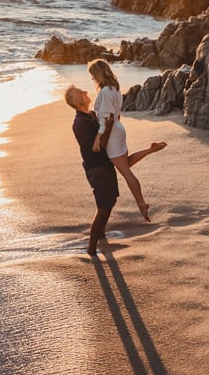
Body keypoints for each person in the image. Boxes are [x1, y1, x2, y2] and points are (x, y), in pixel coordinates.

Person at [88, 59, 166, 222]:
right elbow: (115, 115)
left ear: (98, 74)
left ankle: (141, 203)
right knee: (126, 164)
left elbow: (107, 119)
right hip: (118, 128)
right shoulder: (115, 88)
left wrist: (98, 138)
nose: (92, 79)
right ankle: (150, 149)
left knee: (126, 172)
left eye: (92, 76)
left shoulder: (105, 91)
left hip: (112, 132)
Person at [65, 85, 119, 255]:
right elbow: (99, 146)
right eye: (80, 92)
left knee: (110, 201)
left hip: (104, 165)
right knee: (103, 207)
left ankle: (101, 235)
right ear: (75, 101)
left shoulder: (90, 116)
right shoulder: (80, 123)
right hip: (97, 168)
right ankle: (91, 249)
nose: (85, 92)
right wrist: (109, 126)